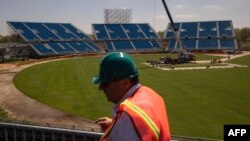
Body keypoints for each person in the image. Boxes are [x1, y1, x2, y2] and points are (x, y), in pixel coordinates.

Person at [92, 52, 171, 141]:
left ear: (125, 83)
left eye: (105, 84)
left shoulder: (128, 117)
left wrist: (124, 124)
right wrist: (117, 125)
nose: (100, 88)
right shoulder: (151, 94)